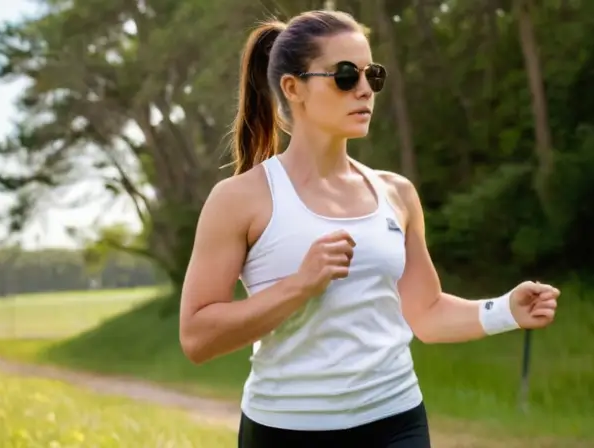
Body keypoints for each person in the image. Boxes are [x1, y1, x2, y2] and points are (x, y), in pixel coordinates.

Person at [179, 10, 560, 448]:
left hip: (395, 421)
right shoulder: (240, 199)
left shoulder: (397, 194)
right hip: (284, 429)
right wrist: (299, 286)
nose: (364, 90)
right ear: (292, 87)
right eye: (344, 75)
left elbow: (427, 313)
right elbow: (197, 337)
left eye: (371, 75)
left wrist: (506, 311)